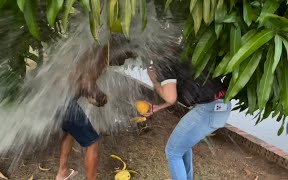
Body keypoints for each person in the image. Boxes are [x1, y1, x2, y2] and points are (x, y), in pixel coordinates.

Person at [141, 47, 231, 180]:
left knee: (172, 152)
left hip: (207, 108)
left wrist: (154, 81)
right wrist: (157, 107)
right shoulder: (184, 53)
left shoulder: (164, 62)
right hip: (221, 105)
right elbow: (173, 96)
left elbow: (170, 97)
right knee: (182, 146)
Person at [56, 37, 136, 180]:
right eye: (125, 57)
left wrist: (95, 93)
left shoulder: (94, 52)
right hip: (64, 101)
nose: (123, 62)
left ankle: (62, 172)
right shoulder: (103, 55)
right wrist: (100, 97)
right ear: (119, 50)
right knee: (93, 143)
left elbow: (83, 77)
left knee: (69, 131)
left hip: (55, 98)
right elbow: (87, 81)